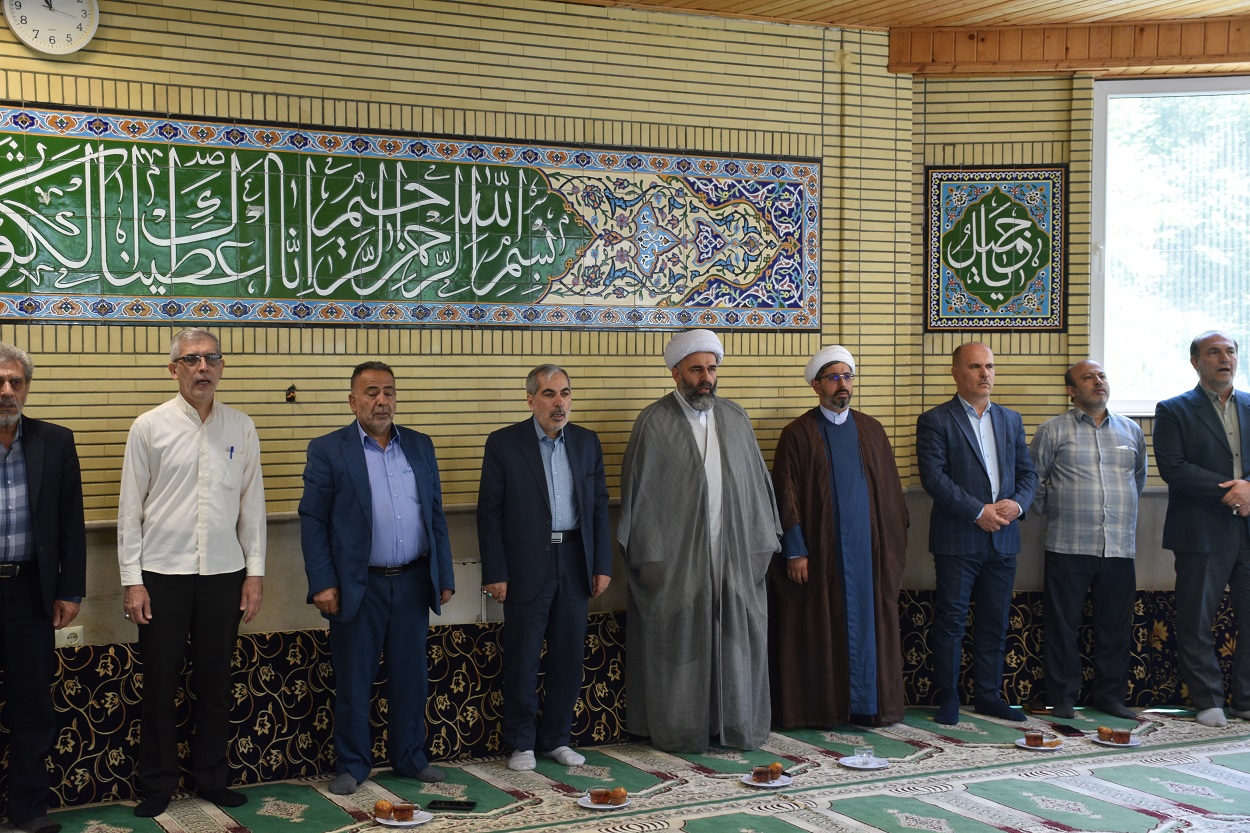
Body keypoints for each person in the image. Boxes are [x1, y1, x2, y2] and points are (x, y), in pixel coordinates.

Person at [118, 328, 266, 817]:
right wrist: (132, 580)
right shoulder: (149, 427)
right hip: (161, 573)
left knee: (215, 682)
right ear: (173, 369)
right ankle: (157, 784)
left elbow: (252, 506)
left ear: (222, 367)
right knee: (160, 684)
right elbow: (130, 510)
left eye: (211, 358)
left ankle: (212, 778)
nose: (203, 367)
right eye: (192, 359)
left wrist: (255, 573)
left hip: (224, 573)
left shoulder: (241, 426)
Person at [618, 329, 781, 753]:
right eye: (696, 370)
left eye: (711, 369)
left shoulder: (736, 418)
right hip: (676, 564)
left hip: (733, 556)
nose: (706, 378)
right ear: (676, 374)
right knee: (681, 647)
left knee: (733, 642)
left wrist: (753, 552)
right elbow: (642, 500)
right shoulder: (654, 423)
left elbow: (757, 491)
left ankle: (735, 723)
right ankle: (682, 729)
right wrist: (656, 563)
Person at [300, 361, 455, 794]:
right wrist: (322, 582)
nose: (382, 400)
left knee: (411, 677)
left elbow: (435, 512)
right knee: (354, 678)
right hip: (358, 585)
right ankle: (352, 765)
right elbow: (313, 520)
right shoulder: (328, 449)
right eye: (371, 392)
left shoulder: (420, 445)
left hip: (412, 580)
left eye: (388, 391)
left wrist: (443, 572)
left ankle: (410, 757)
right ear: (353, 401)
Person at [477, 364, 612, 771]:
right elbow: (490, 513)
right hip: (525, 564)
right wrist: (495, 572)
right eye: (550, 394)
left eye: (565, 393)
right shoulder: (504, 443)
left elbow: (598, 507)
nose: (559, 403)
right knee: (523, 657)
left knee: (568, 656)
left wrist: (601, 564)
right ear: (531, 400)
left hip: (574, 559)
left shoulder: (586, 442)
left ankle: (556, 739)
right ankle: (521, 743)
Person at [768, 346, 909, 728]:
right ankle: (826, 709)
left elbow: (891, 496)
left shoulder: (871, 430)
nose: (842, 384)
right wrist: (795, 551)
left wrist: (889, 550)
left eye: (847, 376)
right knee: (824, 627)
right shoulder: (798, 434)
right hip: (821, 556)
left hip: (868, 558)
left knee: (870, 626)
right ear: (817, 386)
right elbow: (785, 496)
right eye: (833, 378)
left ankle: (869, 706)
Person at [916, 342, 1038, 725]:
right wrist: (977, 511)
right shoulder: (936, 420)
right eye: (975, 367)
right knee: (951, 621)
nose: (985, 373)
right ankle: (949, 698)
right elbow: (934, 477)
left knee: (995, 621)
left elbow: (1028, 474)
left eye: (989, 366)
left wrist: (1017, 505)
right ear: (956, 372)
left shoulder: (1011, 420)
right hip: (958, 538)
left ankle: (988, 695)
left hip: (1004, 537)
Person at [1030, 360, 1146, 720]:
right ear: (1071, 390)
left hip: (1119, 546)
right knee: (1062, 626)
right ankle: (1062, 697)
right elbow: (1035, 481)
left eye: (1102, 376)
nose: (1098, 382)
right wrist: (1056, 512)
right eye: (1088, 377)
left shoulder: (1131, 430)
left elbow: (1137, 480)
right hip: (1068, 544)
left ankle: (1109, 697)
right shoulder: (1052, 430)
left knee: (1115, 627)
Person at [0, 344, 85, 833]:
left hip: (30, 594)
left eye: (16, 381)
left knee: (33, 708)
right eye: (0, 381)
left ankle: (28, 811)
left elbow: (71, 523)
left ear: (27, 388)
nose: (7, 391)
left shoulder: (55, 441)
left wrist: (70, 591)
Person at [1154, 330, 1250, 728]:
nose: (1224, 358)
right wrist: (1233, 491)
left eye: (1230, 351)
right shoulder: (1173, 409)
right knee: (1196, 620)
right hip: (1201, 529)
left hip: (1248, 525)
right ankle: (1207, 700)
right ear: (1196, 362)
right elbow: (1173, 467)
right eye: (1213, 352)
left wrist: (1249, 487)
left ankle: (1245, 699)